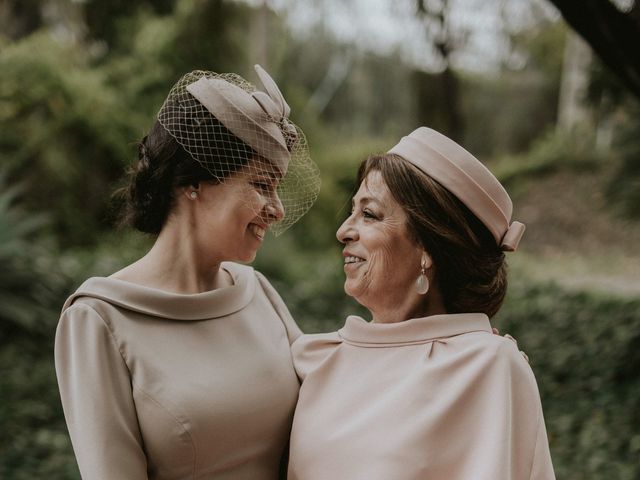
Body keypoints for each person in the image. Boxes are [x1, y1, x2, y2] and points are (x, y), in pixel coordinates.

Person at [54, 65, 319, 479]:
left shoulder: (257, 291)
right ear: (192, 183)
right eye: (262, 185)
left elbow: (326, 414)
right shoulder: (100, 318)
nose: (278, 208)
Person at [288, 127, 555, 479]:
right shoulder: (316, 357)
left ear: (427, 247)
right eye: (352, 212)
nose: (343, 230)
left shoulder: (488, 368)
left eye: (369, 214)